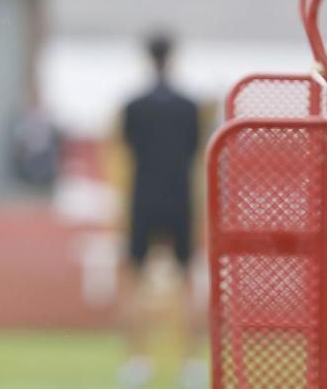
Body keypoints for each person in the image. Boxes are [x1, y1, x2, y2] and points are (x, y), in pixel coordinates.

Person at [116, 33, 206, 389]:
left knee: (135, 279)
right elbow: (195, 153)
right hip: (179, 197)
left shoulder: (134, 105)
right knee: (186, 281)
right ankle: (190, 365)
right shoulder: (189, 106)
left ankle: (137, 363)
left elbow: (126, 150)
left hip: (143, 196)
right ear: (173, 58)